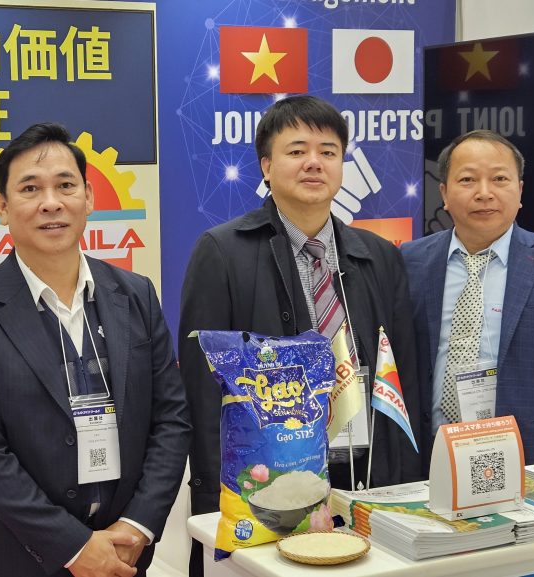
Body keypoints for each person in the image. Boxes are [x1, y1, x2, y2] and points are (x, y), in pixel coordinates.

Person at [178, 95, 422, 575]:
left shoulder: (379, 256)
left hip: (366, 475)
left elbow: (404, 374)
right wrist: (216, 494)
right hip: (268, 489)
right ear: (266, 166)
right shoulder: (222, 252)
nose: (314, 162)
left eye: (328, 151)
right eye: (296, 150)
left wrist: (405, 485)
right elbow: (202, 393)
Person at [0, 123, 190, 577]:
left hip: (123, 553)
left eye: (65, 185)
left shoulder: (135, 294)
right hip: (17, 559)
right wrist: (74, 546)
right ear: (2, 207)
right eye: (30, 188)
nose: (51, 202)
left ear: (88, 198)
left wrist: (138, 525)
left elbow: (171, 418)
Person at [401, 129, 534, 466]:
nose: (484, 193)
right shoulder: (409, 261)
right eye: (467, 180)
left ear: (520, 190)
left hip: (527, 458)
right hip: (427, 454)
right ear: (444, 193)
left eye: (499, 179)